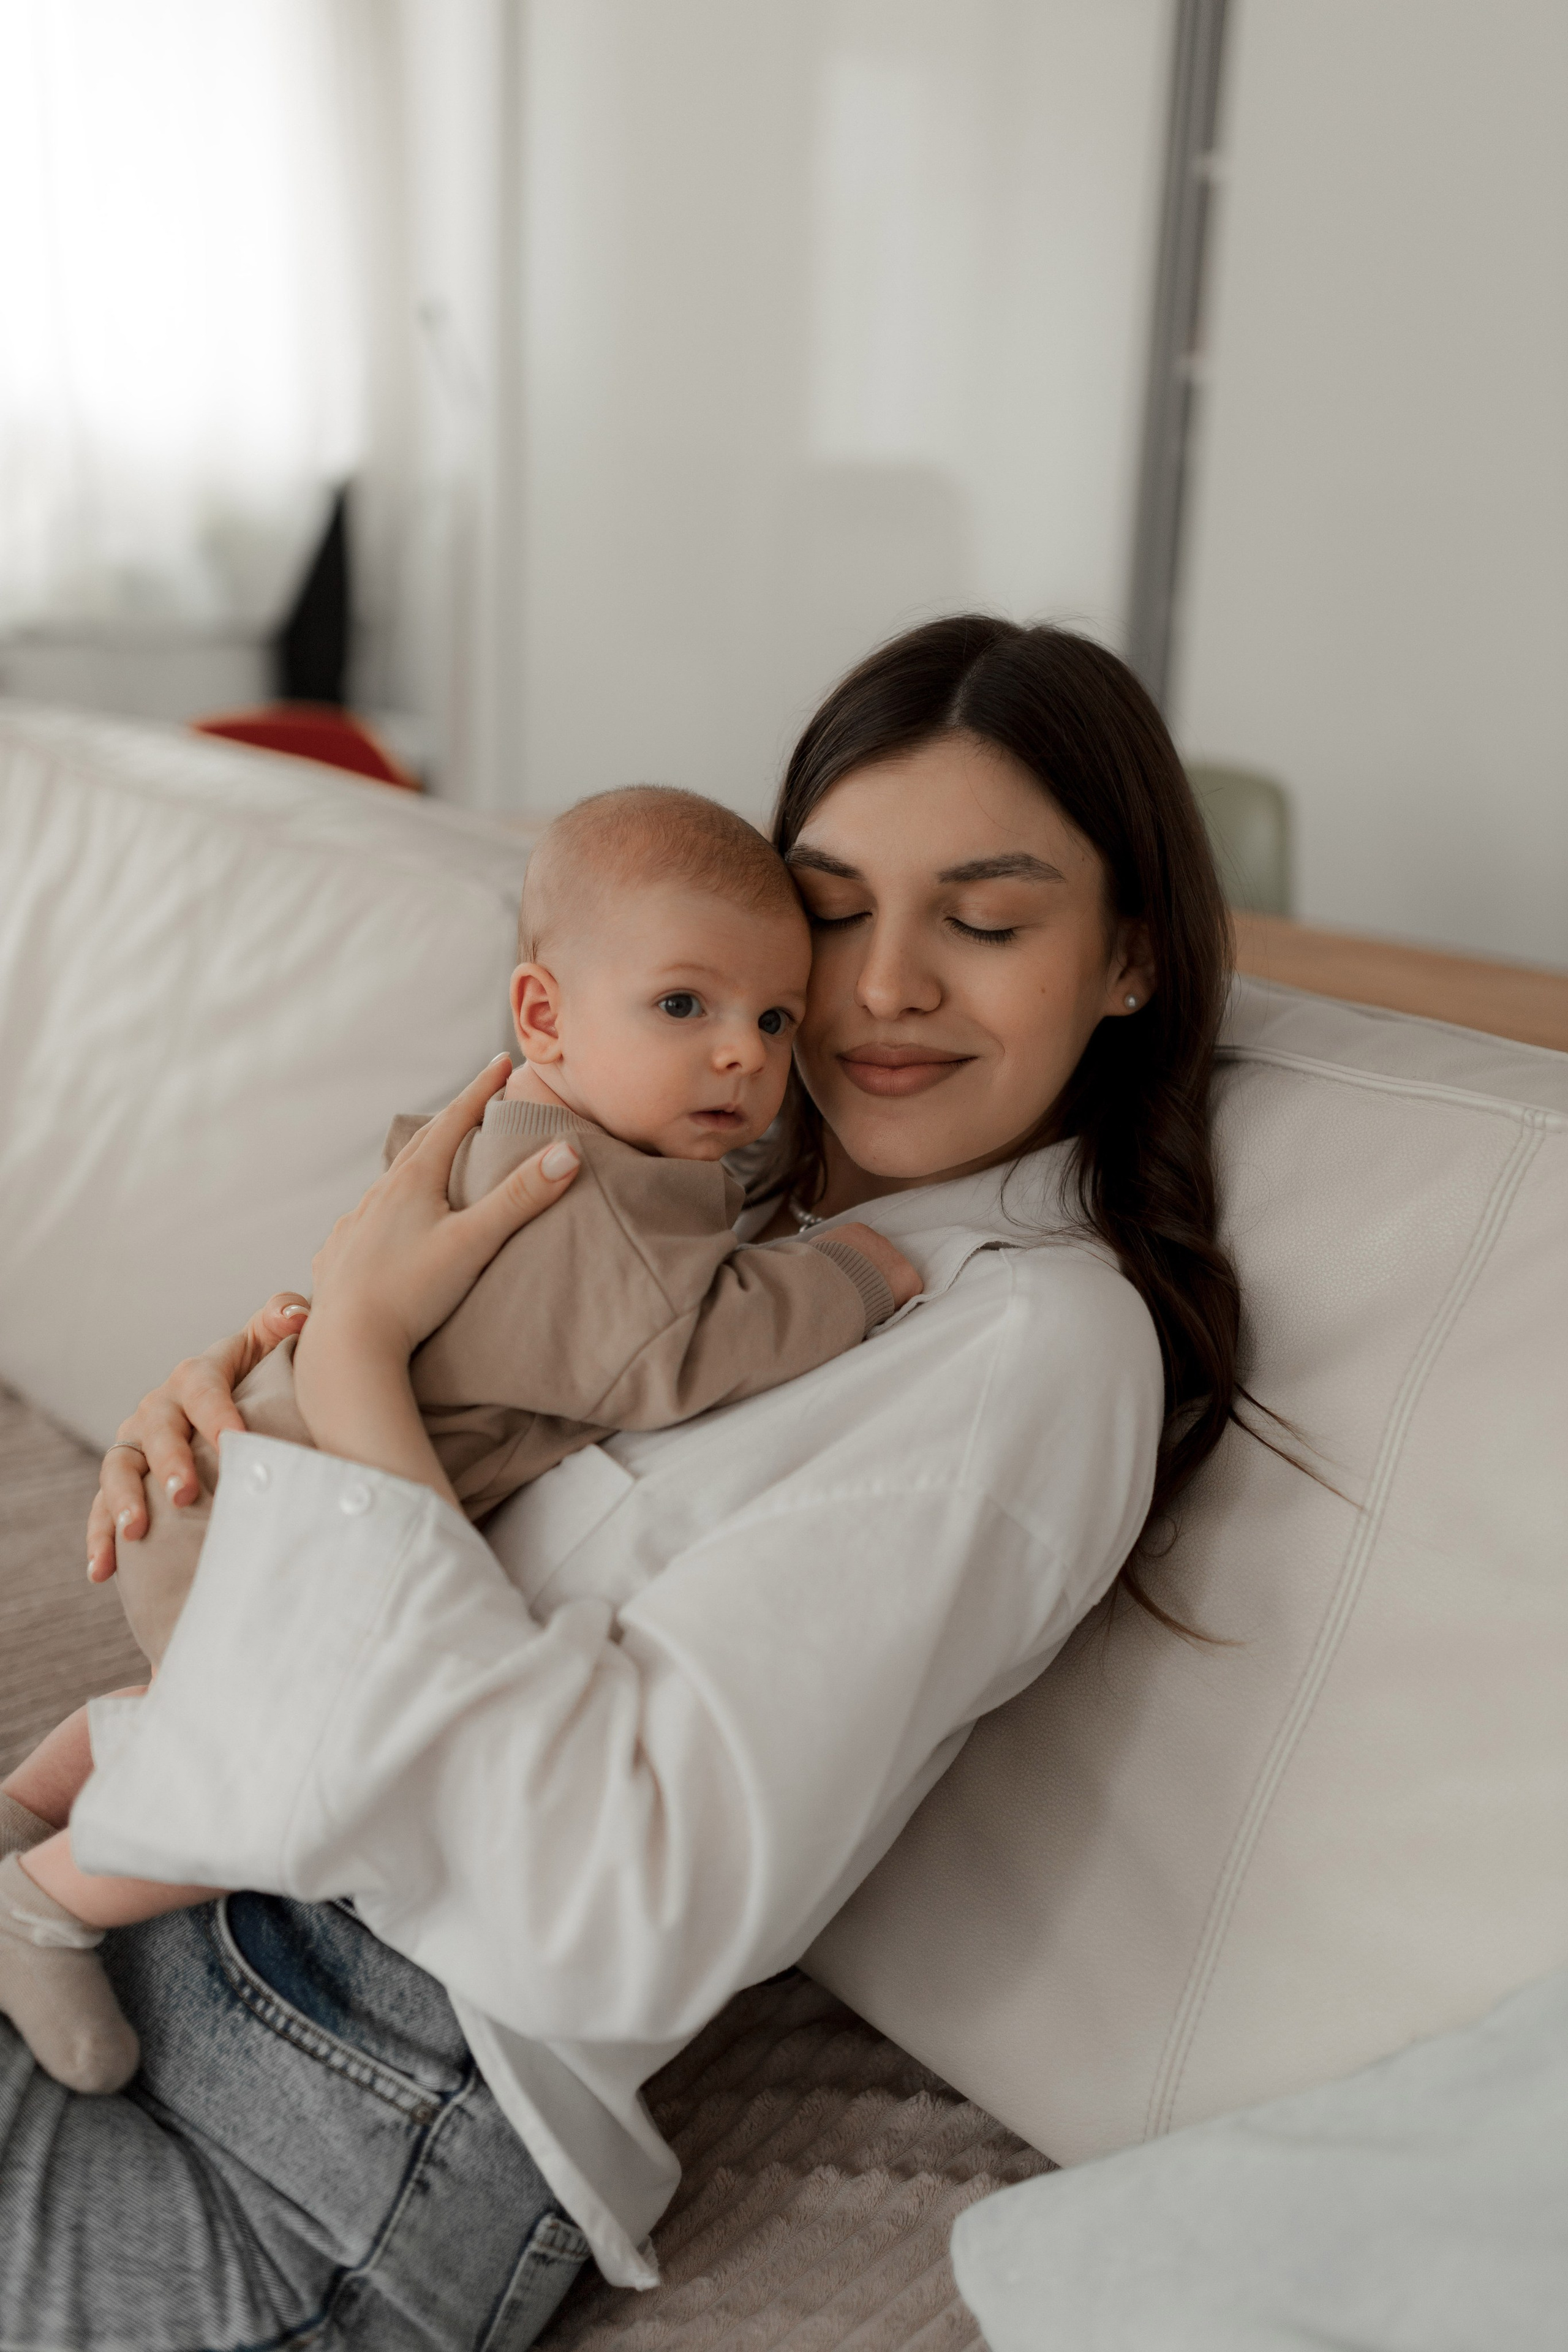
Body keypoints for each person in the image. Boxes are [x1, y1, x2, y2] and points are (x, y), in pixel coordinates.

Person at [0, 617, 1241, 2351]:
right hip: (171, 1911)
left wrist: (357, 1387)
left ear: (1131, 962)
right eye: (830, 918)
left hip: (333, 2125)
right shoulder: (722, 1195)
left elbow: (610, 1911)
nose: (880, 987)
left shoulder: (1033, 1351)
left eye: (987, 918)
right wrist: (255, 1427)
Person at [0, 785, 918, 2098]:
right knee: (304, 1764)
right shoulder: (580, 1198)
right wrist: (851, 1282)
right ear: (542, 1014)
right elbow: (676, 1347)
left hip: (237, 1487)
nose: (743, 1057)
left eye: (774, 1019)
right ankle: (45, 1898)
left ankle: (29, 1798)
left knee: (208, 1697)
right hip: (282, 1510)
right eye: (684, 1007)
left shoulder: (524, 1133)